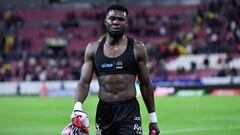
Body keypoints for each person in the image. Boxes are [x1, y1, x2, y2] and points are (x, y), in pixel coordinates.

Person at [71, 4, 160, 135]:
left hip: (129, 112)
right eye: (112, 18)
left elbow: (146, 84)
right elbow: (84, 82)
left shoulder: (137, 48)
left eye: (121, 19)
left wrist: (153, 119)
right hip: (104, 112)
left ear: (126, 23)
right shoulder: (93, 49)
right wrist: (77, 108)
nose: (116, 22)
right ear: (105, 21)